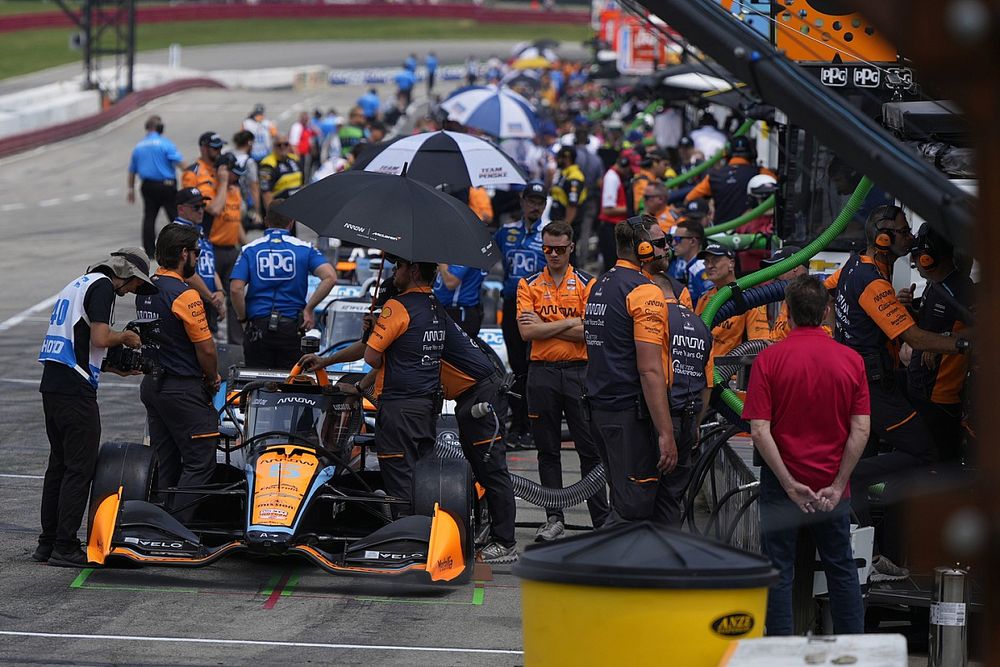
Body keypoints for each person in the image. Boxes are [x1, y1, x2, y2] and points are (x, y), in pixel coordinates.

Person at [826, 204, 970, 578]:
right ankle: (852, 483)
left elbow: (831, 297)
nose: (910, 237)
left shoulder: (854, 267)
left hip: (855, 383)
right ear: (885, 239)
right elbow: (914, 337)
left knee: (871, 457)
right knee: (924, 452)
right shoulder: (874, 282)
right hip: (870, 388)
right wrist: (962, 344)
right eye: (904, 232)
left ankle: (866, 555)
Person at [742, 275, 870, 636]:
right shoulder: (852, 361)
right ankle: (853, 651)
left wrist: (789, 484)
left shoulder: (769, 360)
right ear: (827, 311)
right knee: (841, 569)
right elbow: (861, 429)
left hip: (781, 486)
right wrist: (838, 483)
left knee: (779, 570)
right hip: (832, 488)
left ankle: (780, 652)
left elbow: (759, 430)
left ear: (787, 311)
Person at [35, 248, 155, 566]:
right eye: (135, 285)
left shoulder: (78, 283)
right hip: (75, 391)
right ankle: (64, 545)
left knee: (59, 466)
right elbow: (101, 337)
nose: (133, 291)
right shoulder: (103, 287)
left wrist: (116, 368)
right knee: (80, 468)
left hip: (54, 384)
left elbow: (80, 341)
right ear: (126, 274)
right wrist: (127, 338)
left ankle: (47, 543)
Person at [516, 221, 609, 540]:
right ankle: (553, 517)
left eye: (559, 249)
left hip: (579, 373)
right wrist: (571, 323)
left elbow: (592, 331)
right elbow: (527, 332)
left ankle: (601, 519)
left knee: (590, 448)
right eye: (547, 249)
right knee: (547, 450)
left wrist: (549, 324)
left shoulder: (588, 283)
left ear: (572, 248)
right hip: (541, 374)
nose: (552, 254)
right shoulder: (528, 284)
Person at [584, 215, 677, 525]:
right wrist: (666, 432)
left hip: (601, 410)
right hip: (628, 416)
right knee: (633, 510)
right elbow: (650, 371)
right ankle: (592, 571)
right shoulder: (645, 292)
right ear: (644, 249)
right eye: (661, 243)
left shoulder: (600, 285)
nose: (667, 249)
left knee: (627, 501)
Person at [136, 224, 221, 524]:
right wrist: (212, 379)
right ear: (184, 253)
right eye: (196, 253)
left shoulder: (145, 289)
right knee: (200, 460)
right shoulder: (185, 295)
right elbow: (207, 350)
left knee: (166, 459)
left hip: (153, 386)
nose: (197, 259)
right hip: (182, 389)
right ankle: (178, 527)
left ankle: (158, 520)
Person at [435, 303, 518, 563]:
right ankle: (490, 531)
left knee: (492, 471)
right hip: (468, 396)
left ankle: (505, 543)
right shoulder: (431, 311)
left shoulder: (423, 315)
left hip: (483, 395)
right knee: (477, 468)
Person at [365, 258, 445, 517]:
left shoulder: (397, 305)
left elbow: (371, 358)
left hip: (398, 408)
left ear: (412, 270)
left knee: (400, 482)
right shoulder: (436, 306)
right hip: (426, 407)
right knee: (422, 481)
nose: (393, 272)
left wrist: (374, 331)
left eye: (398, 266)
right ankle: (426, 534)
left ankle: (407, 542)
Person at [644, 224, 713, 526]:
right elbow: (707, 383)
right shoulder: (699, 324)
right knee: (673, 496)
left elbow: (649, 372)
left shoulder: (654, 323)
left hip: (661, 418)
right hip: (690, 419)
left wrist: (662, 430)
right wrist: (697, 424)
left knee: (645, 492)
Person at [901, 224, 974, 464]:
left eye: (916, 258)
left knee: (939, 461)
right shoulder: (935, 286)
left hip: (941, 396)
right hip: (922, 387)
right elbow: (928, 324)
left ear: (927, 258)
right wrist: (910, 309)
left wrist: (943, 341)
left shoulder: (961, 289)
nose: (915, 263)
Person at [230, 209, 336, 369]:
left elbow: (235, 289)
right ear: (291, 222)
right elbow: (330, 277)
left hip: (258, 327)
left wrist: (242, 319)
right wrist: (309, 309)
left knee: (255, 384)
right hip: (292, 328)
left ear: (266, 221)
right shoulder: (305, 248)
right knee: (290, 385)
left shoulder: (249, 249)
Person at [495, 181, 549, 447]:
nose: (535, 207)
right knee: (517, 367)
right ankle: (518, 425)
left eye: (540, 202)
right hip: (510, 303)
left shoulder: (549, 235)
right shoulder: (506, 233)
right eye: (531, 201)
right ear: (522, 201)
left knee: (533, 368)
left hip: (537, 310)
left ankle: (530, 426)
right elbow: (484, 256)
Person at [695, 243, 770, 359]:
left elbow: (758, 345)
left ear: (731, 264)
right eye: (706, 261)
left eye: (715, 260)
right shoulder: (704, 298)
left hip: (731, 373)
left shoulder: (751, 298)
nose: (709, 266)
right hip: (703, 369)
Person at [205, 152, 246, 344]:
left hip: (232, 249)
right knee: (213, 295)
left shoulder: (235, 190)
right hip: (214, 249)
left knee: (234, 294)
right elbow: (215, 209)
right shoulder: (211, 189)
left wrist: (246, 246)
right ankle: (210, 335)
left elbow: (236, 222)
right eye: (233, 173)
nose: (237, 177)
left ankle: (236, 342)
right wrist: (221, 182)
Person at [172, 187, 226, 333]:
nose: (201, 210)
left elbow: (210, 265)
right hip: (192, 301)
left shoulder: (199, 230)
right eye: (196, 207)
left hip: (208, 299)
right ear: (181, 209)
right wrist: (213, 299)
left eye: (203, 206)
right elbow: (186, 273)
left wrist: (220, 291)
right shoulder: (177, 233)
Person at [685, 136, 772, 225]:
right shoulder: (761, 172)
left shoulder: (714, 176)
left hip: (721, 234)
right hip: (753, 234)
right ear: (753, 153)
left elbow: (689, 199)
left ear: (727, 154)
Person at [128, 115, 182, 256]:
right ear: (160, 128)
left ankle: (150, 251)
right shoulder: (165, 143)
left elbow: (132, 171)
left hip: (148, 186)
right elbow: (179, 161)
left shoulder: (138, 146)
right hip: (166, 185)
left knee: (149, 217)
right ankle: (181, 245)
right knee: (175, 216)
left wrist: (131, 190)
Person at [761, 246, 808, 342]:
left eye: (778, 268)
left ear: (795, 267)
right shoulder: (787, 298)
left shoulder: (810, 300)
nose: (774, 275)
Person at [180, 131, 225, 230]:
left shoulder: (221, 169)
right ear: (204, 148)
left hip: (225, 230)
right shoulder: (192, 173)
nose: (219, 151)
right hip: (205, 229)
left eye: (221, 147)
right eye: (216, 148)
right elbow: (190, 205)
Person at [597, 155, 632, 272]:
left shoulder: (615, 176)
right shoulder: (612, 178)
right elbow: (607, 209)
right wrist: (631, 209)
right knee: (611, 266)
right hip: (609, 228)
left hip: (613, 227)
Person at [667, 219, 712, 307]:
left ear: (693, 241)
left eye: (677, 239)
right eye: (673, 239)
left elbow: (709, 302)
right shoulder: (691, 266)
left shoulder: (700, 268)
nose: (673, 243)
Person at [434, 263, 486, 337]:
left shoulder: (464, 256)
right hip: (444, 308)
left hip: (459, 312)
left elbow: (451, 282)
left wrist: (441, 263)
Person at [259, 134, 304, 210]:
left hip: (298, 207)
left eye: (285, 144)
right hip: (281, 209)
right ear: (273, 147)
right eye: (279, 145)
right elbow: (266, 193)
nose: (282, 147)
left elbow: (302, 184)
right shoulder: (267, 165)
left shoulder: (295, 159)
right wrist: (272, 216)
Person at [550, 146, 587, 231]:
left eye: (558, 157)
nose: (556, 160)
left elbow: (572, 205)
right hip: (556, 223)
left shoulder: (575, 177)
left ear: (567, 158)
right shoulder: (563, 174)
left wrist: (564, 228)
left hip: (567, 227)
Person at [232, 130, 262, 229]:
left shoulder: (228, 156)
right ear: (249, 143)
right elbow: (254, 186)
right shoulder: (249, 162)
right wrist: (257, 211)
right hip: (240, 203)